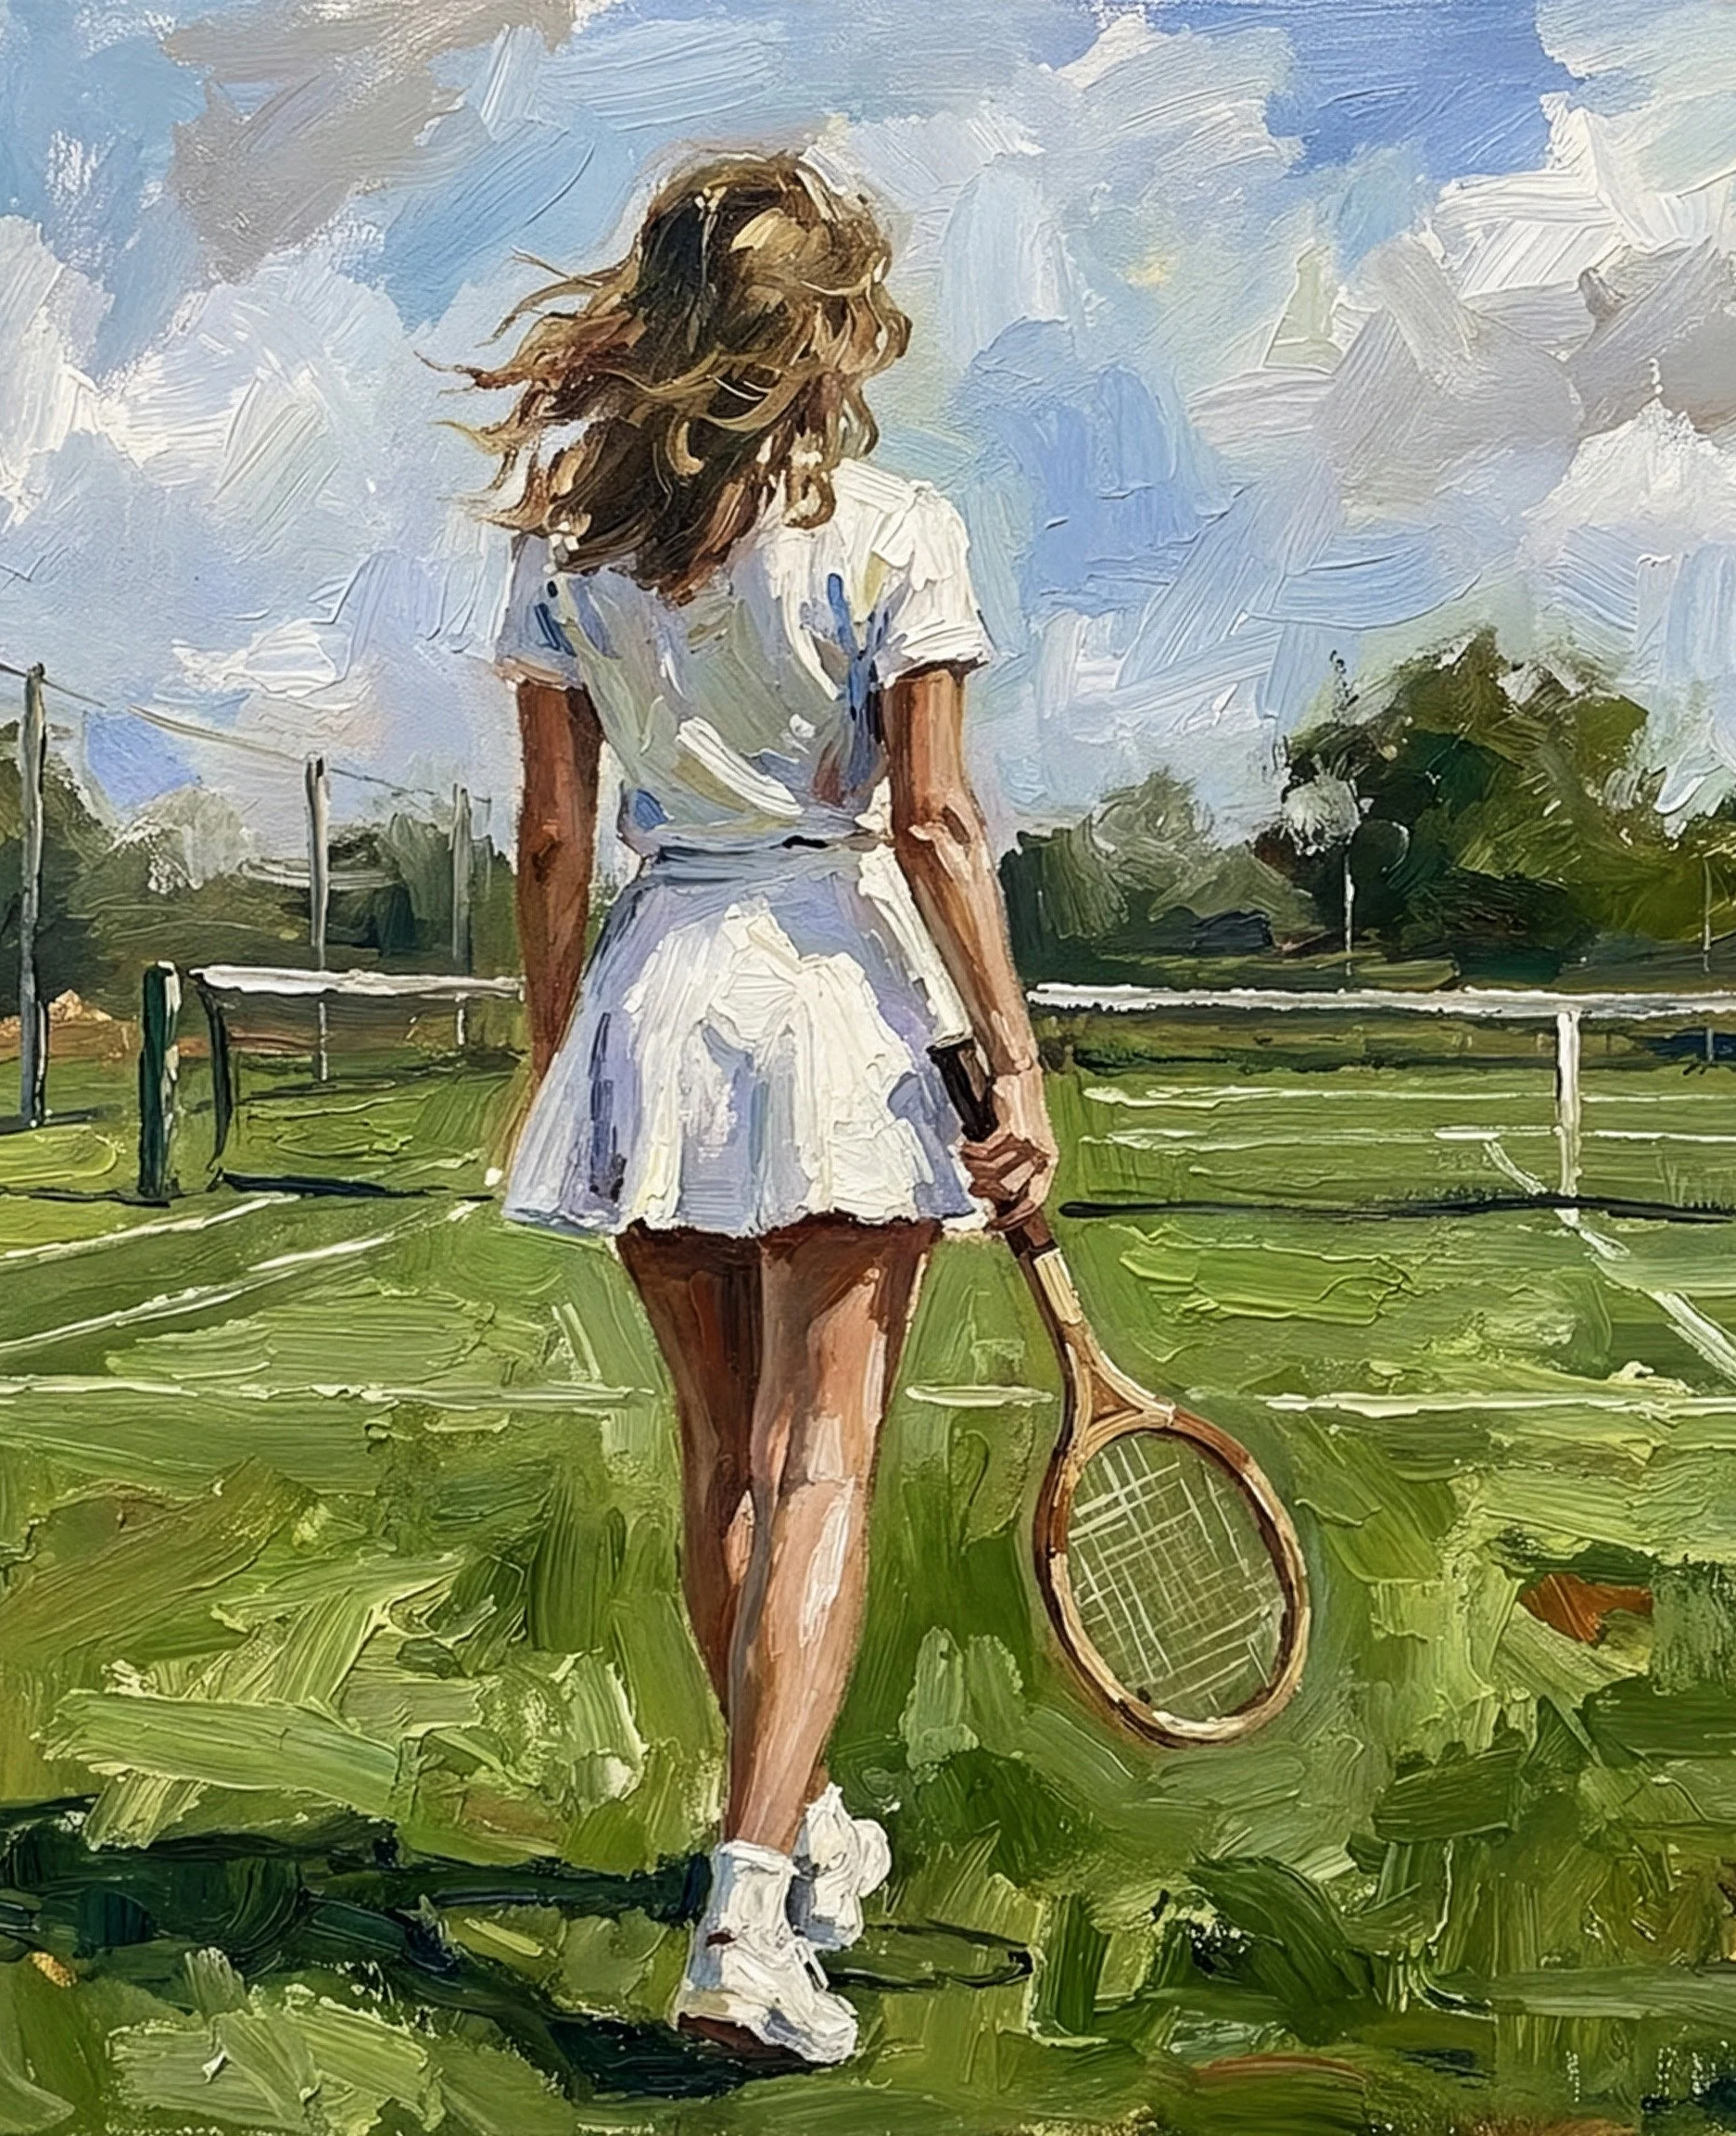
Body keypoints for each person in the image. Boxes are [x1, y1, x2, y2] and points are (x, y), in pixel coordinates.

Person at [472, 151, 1056, 2064]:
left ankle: (790, 1825)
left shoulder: (570, 552)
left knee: (726, 1463)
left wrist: (564, 1058)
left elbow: (556, 837)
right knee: (817, 1472)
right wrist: (1017, 1062)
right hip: (824, 1003)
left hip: (657, 997)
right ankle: (745, 1923)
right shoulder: (897, 529)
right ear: (816, 332)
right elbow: (936, 823)